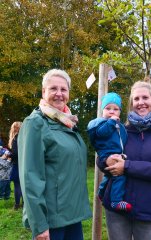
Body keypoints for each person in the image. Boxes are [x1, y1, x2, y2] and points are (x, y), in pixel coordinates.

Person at [97, 81, 151, 240]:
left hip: (149, 208)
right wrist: (106, 160)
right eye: (136, 99)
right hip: (117, 207)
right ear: (131, 103)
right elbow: (102, 156)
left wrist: (127, 166)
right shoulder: (122, 129)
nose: (141, 102)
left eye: (145, 98)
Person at [18, 69, 92, 240]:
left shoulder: (67, 122)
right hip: (51, 222)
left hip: (72, 217)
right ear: (44, 92)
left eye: (63, 89)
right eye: (53, 89)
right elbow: (30, 178)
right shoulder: (35, 123)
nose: (59, 94)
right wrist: (40, 225)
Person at [87, 92, 131, 212]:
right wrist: (111, 122)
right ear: (102, 110)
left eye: (115, 109)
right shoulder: (101, 123)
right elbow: (101, 133)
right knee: (119, 175)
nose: (112, 112)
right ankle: (116, 201)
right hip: (106, 154)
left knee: (109, 174)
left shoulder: (119, 126)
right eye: (108, 108)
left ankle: (101, 192)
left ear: (120, 112)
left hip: (116, 154)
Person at [8, 121, 23, 209]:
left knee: (17, 185)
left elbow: (16, 153)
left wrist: (8, 155)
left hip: (17, 165)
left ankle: (17, 205)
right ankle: (24, 204)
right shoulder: (24, 138)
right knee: (23, 185)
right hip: (24, 164)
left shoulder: (15, 139)